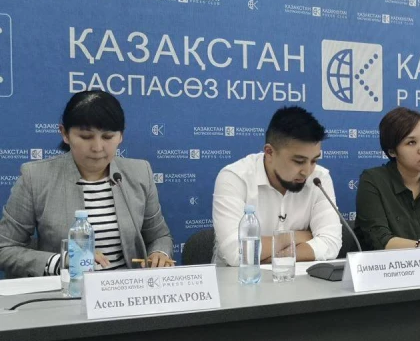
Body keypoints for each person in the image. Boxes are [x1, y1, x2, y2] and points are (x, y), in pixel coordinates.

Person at [0, 90, 173, 278]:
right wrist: (62, 261)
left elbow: (159, 236)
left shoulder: (139, 172)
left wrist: (159, 253)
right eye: (85, 137)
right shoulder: (36, 177)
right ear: (65, 134)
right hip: (67, 290)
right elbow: (5, 247)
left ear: (121, 136)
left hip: (127, 289)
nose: (97, 148)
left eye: (108, 137)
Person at [212, 106, 342, 265]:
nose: (307, 171)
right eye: (299, 161)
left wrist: (272, 257)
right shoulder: (234, 178)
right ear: (269, 152)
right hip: (239, 277)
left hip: (299, 277)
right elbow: (237, 253)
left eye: (314, 160)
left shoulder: (319, 178)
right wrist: (297, 236)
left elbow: (331, 243)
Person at [355, 107, 420, 250]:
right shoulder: (373, 181)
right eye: (411, 142)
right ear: (392, 151)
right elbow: (380, 241)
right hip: (386, 263)